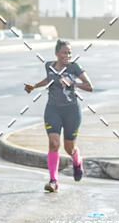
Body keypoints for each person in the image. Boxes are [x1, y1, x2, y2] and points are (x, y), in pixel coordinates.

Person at [24, 39, 93, 192]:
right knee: (54, 144)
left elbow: (89, 86)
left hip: (71, 111)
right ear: (56, 53)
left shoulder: (74, 67)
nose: (67, 55)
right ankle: (53, 181)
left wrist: (72, 83)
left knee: (69, 148)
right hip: (53, 110)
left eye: (69, 53)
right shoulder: (48, 66)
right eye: (64, 52)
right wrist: (34, 86)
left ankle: (77, 161)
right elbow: (49, 79)